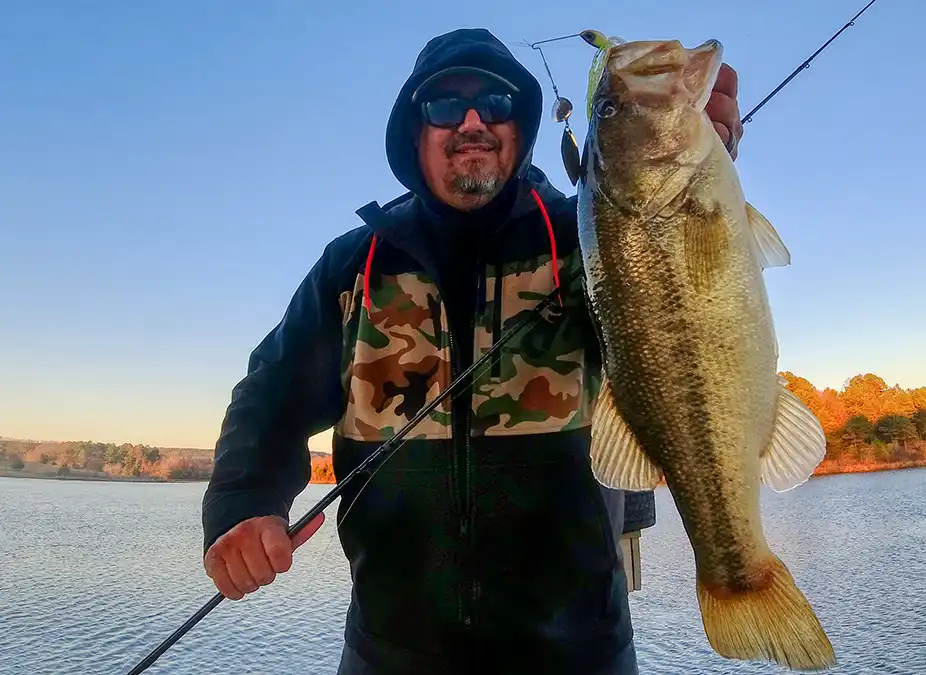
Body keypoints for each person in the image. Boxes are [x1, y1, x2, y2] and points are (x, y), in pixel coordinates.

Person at [200, 27, 746, 675]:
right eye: (442, 105)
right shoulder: (352, 267)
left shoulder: (588, 238)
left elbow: (677, 287)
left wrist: (700, 154)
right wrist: (244, 503)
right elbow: (269, 398)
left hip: (580, 651)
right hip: (389, 651)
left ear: (521, 123)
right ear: (413, 128)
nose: (470, 121)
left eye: (493, 101)